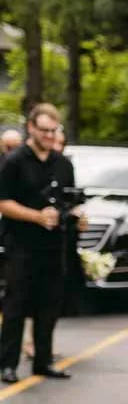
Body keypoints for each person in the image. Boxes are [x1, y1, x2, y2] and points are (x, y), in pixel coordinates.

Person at [0, 103, 76, 383]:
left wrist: (71, 215)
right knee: (16, 305)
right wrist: (36, 217)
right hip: (20, 245)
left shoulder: (63, 164)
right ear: (30, 128)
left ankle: (43, 361)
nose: (47, 135)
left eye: (52, 130)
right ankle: (7, 364)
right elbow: (4, 202)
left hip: (54, 247)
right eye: (43, 130)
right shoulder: (15, 161)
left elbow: (70, 201)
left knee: (49, 305)